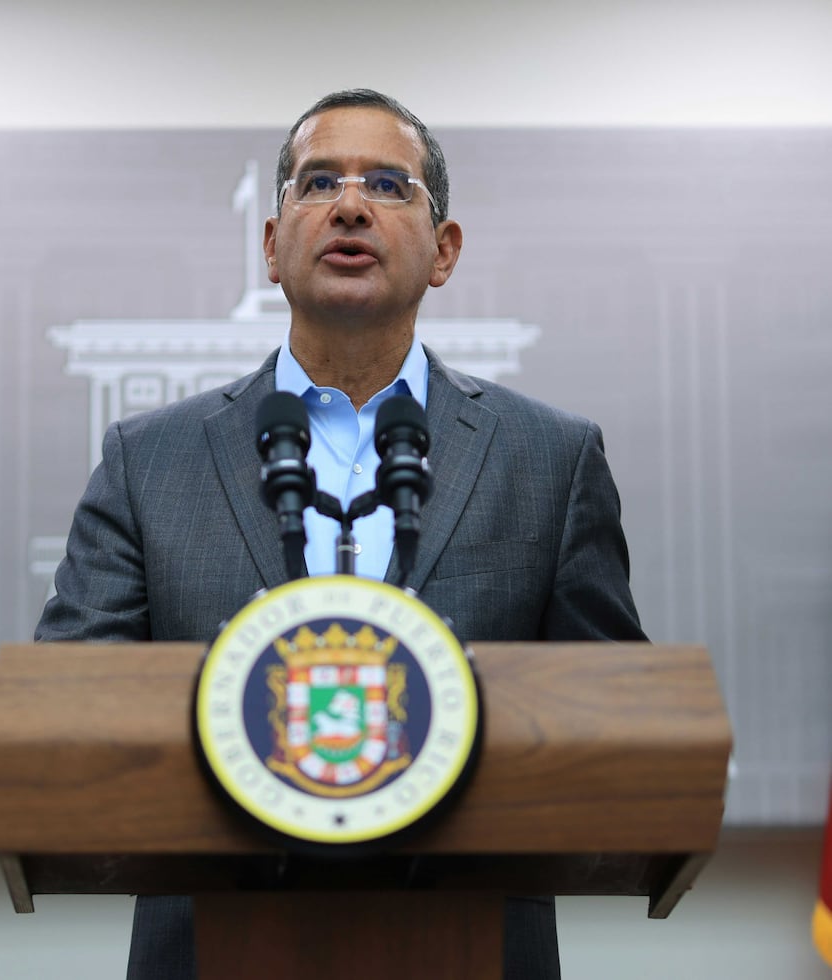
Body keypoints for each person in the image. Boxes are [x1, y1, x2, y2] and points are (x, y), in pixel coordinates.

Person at [36, 88, 647, 979]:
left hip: (468, 941)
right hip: (215, 945)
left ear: (444, 251)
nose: (351, 204)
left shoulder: (550, 458)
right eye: (318, 182)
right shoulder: (150, 459)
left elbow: (614, 721)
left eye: (390, 185)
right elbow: (66, 707)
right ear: (273, 244)